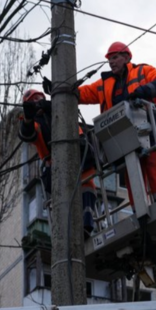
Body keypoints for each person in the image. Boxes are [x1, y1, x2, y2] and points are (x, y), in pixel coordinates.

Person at [77, 41, 156, 206]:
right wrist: (60, 90)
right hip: (125, 141)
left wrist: (142, 92)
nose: (111, 62)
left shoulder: (143, 71)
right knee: (134, 182)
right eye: (109, 60)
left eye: (115, 57)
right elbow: (83, 93)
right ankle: (141, 219)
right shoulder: (105, 84)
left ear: (127, 57)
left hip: (151, 134)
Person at [18, 89, 98, 237]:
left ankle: (87, 222)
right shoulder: (36, 123)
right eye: (33, 100)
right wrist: (28, 118)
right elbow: (27, 134)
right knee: (63, 199)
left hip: (79, 155)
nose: (37, 102)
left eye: (39, 98)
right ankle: (66, 232)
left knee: (87, 186)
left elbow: (74, 123)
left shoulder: (62, 110)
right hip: (56, 166)